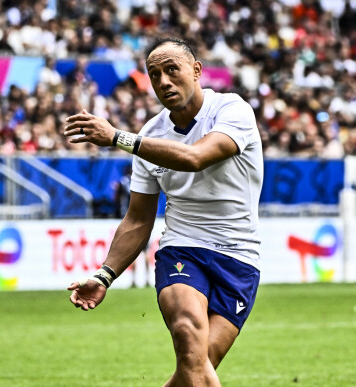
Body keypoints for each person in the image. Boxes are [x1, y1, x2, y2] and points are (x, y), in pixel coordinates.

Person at [64, 37, 263, 387]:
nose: (164, 82)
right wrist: (105, 275)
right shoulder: (150, 135)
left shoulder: (232, 111)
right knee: (188, 335)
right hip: (182, 248)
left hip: (239, 258)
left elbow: (195, 157)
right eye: (155, 75)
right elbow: (138, 218)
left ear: (197, 71)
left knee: (196, 369)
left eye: (172, 70)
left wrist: (117, 139)